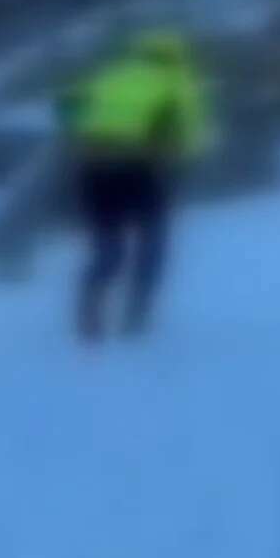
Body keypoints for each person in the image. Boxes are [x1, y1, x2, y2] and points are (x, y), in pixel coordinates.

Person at [58, 29, 210, 342]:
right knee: (152, 242)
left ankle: (90, 313)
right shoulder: (175, 81)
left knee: (108, 247)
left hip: (93, 168)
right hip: (140, 170)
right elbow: (190, 139)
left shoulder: (109, 75)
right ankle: (135, 317)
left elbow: (68, 108)